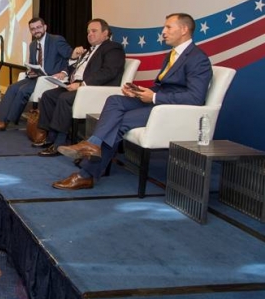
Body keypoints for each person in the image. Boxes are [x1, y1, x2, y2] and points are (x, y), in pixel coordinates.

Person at [52, 13, 213, 190]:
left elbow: (195, 98)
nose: (163, 32)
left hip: (170, 110)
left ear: (184, 29)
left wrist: (153, 97)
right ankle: (93, 144)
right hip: (158, 101)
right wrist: (138, 91)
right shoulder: (172, 55)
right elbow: (164, 86)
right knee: (115, 100)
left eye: (168, 27)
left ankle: (86, 174)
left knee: (119, 122)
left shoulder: (198, 58)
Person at [36, 19, 126, 156]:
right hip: (76, 86)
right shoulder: (88, 51)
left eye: (94, 31)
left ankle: (59, 142)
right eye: (88, 32)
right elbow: (74, 67)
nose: (90, 34)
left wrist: (82, 84)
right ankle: (50, 137)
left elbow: (109, 71)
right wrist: (67, 71)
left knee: (64, 98)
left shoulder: (113, 48)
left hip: (93, 90)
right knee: (48, 95)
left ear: (105, 33)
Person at [0, 16, 72, 131]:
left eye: (38, 27)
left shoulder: (56, 40)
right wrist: (30, 72)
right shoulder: (32, 45)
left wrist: (64, 72)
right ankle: (0, 118)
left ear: (45, 27)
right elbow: (33, 63)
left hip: (48, 79)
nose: (36, 31)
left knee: (23, 90)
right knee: (12, 88)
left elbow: (72, 58)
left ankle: (3, 121)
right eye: (33, 29)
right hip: (36, 77)